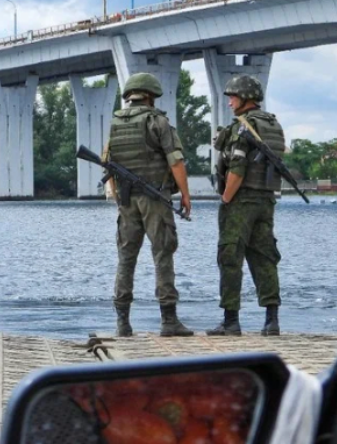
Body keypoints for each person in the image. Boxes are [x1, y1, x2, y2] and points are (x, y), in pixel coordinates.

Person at [106, 72, 193, 338]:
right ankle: (169, 322)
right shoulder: (158, 121)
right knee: (163, 255)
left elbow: (108, 163)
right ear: (150, 96)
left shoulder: (115, 123)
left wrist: (117, 195)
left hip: (127, 200)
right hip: (155, 198)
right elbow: (175, 161)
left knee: (126, 258)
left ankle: (123, 323)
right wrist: (186, 196)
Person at [207, 74, 285, 337]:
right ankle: (271, 320)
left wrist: (226, 199)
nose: (229, 103)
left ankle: (231, 321)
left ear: (244, 98)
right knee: (265, 257)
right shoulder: (272, 125)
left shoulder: (244, 127)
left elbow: (237, 170)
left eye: (232, 98)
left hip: (241, 201)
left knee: (230, 257)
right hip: (266, 199)